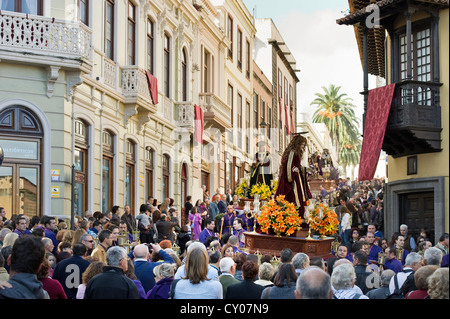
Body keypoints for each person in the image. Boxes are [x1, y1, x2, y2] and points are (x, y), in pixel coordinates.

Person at [274, 134, 312, 219]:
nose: (303, 147)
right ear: (297, 144)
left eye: (304, 145)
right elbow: (289, 167)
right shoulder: (294, 152)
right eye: (302, 145)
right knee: (296, 199)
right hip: (294, 180)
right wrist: (294, 171)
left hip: (296, 178)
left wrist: (300, 169)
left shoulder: (293, 152)